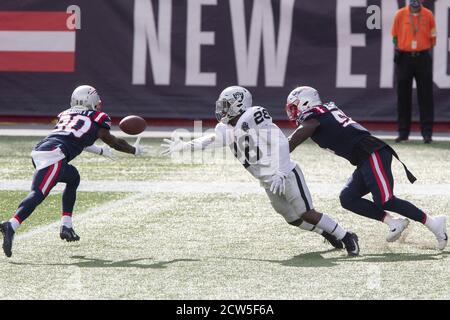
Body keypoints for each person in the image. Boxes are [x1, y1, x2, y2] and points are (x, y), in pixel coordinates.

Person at [161, 86, 360, 256]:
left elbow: (281, 142)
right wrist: (186, 146)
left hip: (286, 173)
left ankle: (347, 236)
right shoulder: (224, 128)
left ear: (237, 104)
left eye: (226, 104)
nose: (221, 108)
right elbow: (212, 140)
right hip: (266, 180)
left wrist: (281, 172)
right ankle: (325, 232)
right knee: (291, 218)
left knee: (306, 212)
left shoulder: (253, 116)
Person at [285, 86, 447, 250]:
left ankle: (434, 223)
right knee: (348, 198)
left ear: (306, 103)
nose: (293, 112)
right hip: (364, 158)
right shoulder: (322, 111)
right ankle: (393, 222)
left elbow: (307, 127)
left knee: (385, 199)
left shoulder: (315, 115)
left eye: (294, 107)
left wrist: (282, 148)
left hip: (372, 152)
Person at [0, 85, 145, 258]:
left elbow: (76, 136)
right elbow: (113, 142)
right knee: (38, 193)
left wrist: (99, 151)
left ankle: (66, 226)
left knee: (73, 177)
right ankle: (12, 224)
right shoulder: (99, 118)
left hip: (47, 150)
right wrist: (133, 150)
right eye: (96, 100)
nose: (99, 104)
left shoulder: (66, 114)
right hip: (53, 155)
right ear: (90, 101)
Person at [392, 0, 436, 143]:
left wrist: (420, 46)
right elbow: (394, 36)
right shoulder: (400, 14)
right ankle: (403, 133)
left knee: (426, 96)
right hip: (404, 58)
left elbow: (433, 38)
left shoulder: (428, 15)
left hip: (422, 57)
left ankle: (427, 133)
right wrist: (401, 47)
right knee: (403, 95)